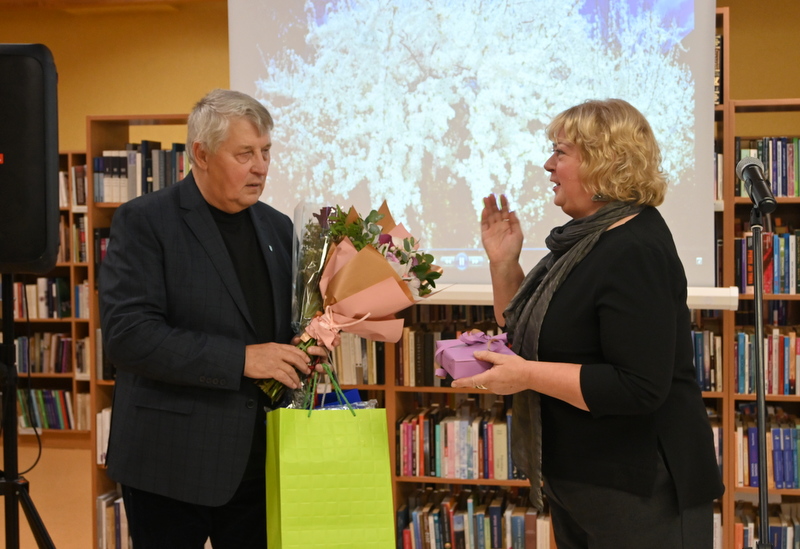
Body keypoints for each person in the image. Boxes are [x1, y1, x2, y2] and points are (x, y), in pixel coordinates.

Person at [452, 99, 724, 548]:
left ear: (604, 160)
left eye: (560, 152)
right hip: (582, 480)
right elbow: (525, 330)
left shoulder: (635, 249)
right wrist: (503, 263)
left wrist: (526, 376)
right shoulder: (584, 241)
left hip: (641, 490)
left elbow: (638, 387)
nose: (548, 165)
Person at [99, 88, 325, 548]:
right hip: (170, 464)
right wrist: (242, 359)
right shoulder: (145, 221)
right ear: (200, 154)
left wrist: (306, 346)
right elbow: (129, 336)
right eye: (245, 154)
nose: (261, 167)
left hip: (259, 463)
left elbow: (277, 332)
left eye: (266, 152)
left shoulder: (278, 227)